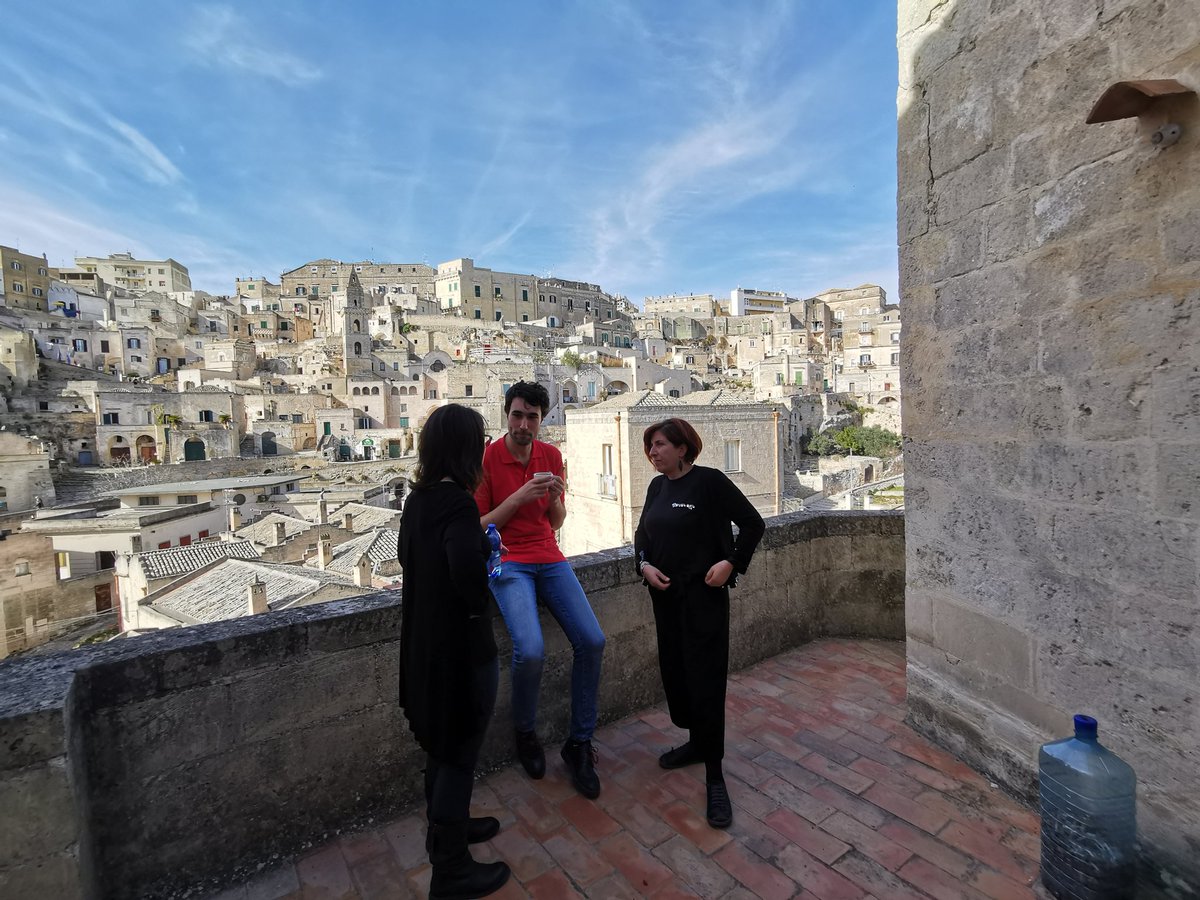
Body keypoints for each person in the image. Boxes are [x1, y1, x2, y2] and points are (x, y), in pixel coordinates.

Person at [398, 404, 510, 899]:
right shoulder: (459, 506)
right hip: (460, 653)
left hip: (424, 647)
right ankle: (451, 870)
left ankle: (450, 827)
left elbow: (409, 560)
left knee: (439, 748)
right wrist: (487, 554)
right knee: (459, 754)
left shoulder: (417, 500)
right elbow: (467, 577)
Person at [475, 380, 606, 799]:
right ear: (506, 415)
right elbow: (480, 525)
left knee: (593, 640)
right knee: (530, 650)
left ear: (542, 419)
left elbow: (557, 521)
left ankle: (579, 743)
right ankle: (526, 732)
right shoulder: (486, 458)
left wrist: (553, 498)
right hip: (507, 560)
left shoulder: (551, 456)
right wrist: (519, 497)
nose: (523, 425)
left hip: (548, 555)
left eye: (532, 417)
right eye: (517, 415)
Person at [633, 417, 765, 829]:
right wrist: (643, 565)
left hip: (703, 600)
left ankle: (714, 774)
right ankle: (695, 744)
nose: (652, 452)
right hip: (666, 600)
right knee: (677, 675)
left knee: (706, 682)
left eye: (659, 444)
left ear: (682, 448)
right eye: (650, 446)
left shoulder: (709, 482)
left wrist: (731, 563)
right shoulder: (657, 487)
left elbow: (753, 524)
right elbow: (642, 536)